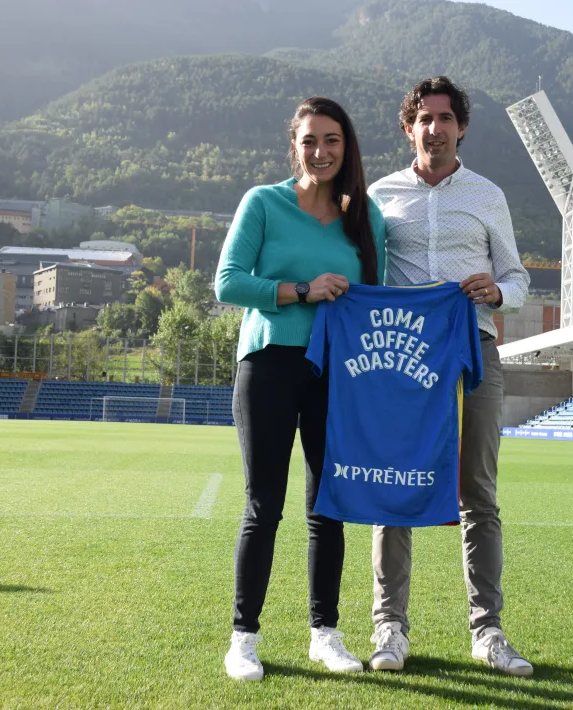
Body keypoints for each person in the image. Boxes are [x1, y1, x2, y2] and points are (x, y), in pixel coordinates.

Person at [214, 96, 387, 682]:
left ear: (347, 147)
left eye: (332, 140)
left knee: (326, 510)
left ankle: (325, 634)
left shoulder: (367, 219)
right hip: (268, 365)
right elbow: (228, 282)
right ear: (295, 144)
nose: (321, 151)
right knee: (264, 505)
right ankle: (244, 638)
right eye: (310, 140)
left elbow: (374, 302)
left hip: (336, 374)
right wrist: (302, 290)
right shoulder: (262, 203)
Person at [366, 76, 534, 676]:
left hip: (474, 353)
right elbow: (363, 273)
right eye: (424, 118)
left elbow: (517, 278)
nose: (434, 128)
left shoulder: (488, 196)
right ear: (408, 127)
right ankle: (390, 629)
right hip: (403, 361)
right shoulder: (379, 196)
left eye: (445, 118)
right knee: (397, 486)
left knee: (478, 496)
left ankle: (487, 632)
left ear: (461, 127)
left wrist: (499, 292)